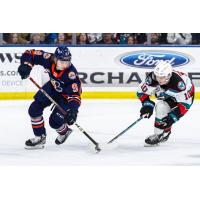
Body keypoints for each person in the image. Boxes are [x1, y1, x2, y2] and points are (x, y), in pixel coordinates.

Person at [18, 46, 82, 149]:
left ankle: (65, 132)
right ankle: (40, 137)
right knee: (34, 109)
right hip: (53, 87)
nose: (65, 65)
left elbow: (74, 95)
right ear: (55, 59)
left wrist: (73, 111)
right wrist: (26, 65)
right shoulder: (48, 58)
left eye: (67, 62)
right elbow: (31, 53)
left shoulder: (71, 74)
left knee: (55, 122)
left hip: (66, 97)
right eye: (62, 62)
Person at [137, 62, 194, 146]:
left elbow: (185, 105)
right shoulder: (152, 78)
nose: (159, 79)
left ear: (168, 76)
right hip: (166, 93)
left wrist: (173, 117)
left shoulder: (179, 85)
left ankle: (162, 134)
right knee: (161, 107)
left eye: (162, 77)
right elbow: (141, 92)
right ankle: (160, 134)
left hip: (183, 97)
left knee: (163, 110)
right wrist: (147, 106)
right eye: (157, 76)